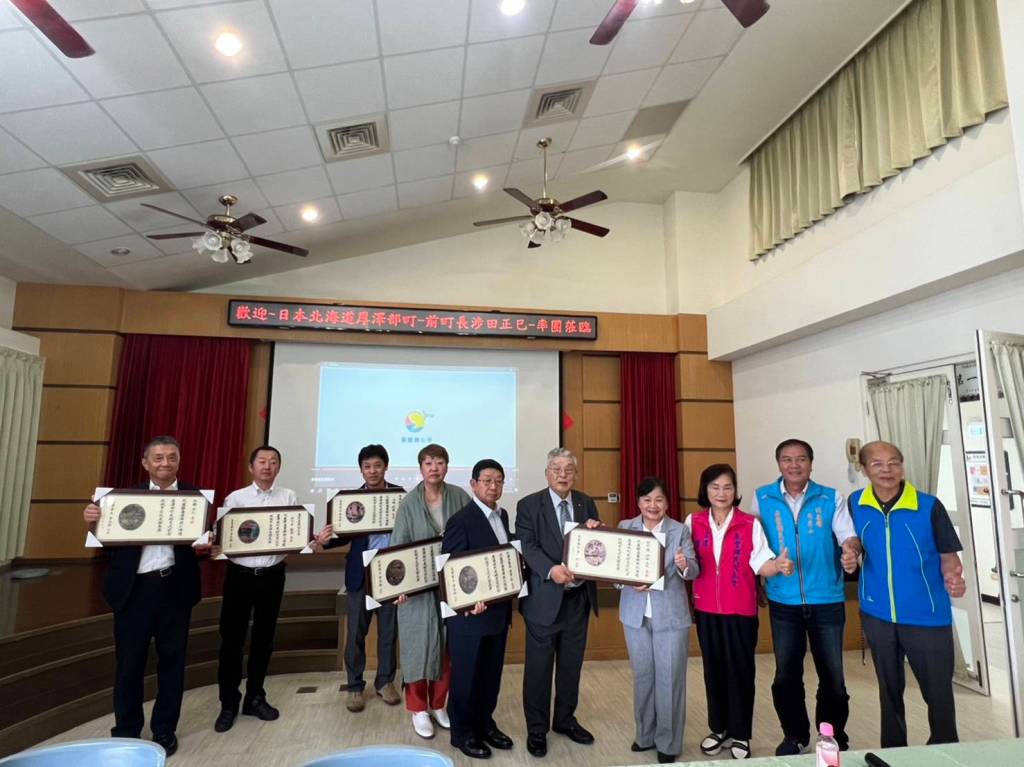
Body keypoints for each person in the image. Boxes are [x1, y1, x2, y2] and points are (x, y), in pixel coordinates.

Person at [81, 436, 208, 757]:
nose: (165, 463)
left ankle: (164, 729)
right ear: (145, 463)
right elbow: (104, 541)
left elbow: (202, 545)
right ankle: (126, 730)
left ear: (179, 461)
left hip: (174, 590)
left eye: (172, 457)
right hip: (134, 592)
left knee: (172, 663)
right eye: (159, 457)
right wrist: (93, 523)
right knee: (129, 664)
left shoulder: (194, 498)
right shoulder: (121, 499)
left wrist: (207, 544)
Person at [848, 440, 966, 748]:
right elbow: (855, 539)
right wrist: (851, 551)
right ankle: (894, 752)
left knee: (938, 694)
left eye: (893, 463)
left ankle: (943, 750)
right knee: (888, 692)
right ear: (864, 470)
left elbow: (949, 557)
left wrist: (954, 577)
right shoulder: (855, 502)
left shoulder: (928, 506)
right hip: (877, 614)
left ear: (902, 466)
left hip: (927, 616)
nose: (886, 470)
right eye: (877, 464)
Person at [750, 438, 862, 754]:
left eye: (801, 459)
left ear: (811, 464)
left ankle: (831, 735)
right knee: (786, 676)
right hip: (783, 601)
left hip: (827, 599)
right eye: (787, 459)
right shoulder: (762, 497)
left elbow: (849, 537)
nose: (794, 465)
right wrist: (766, 570)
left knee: (833, 677)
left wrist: (850, 552)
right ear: (779, 464)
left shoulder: (831, 497)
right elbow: (756, 546)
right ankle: (795, 735)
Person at [686, 463, 794, 760]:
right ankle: (718, 728)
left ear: (735, 491)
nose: (721, 493)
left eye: (728, 487)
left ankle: (741, 733)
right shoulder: (693, 522)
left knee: (741, 672)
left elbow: (760, 563)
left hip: (741, 611)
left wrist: (778, 566)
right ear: (705, 490)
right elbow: (686, 562)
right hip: (706, 609)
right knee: (713, 670)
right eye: (715, 487)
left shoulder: (749, 523)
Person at [213, 445, 307, 733]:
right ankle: (228, 703)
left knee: (264, 640)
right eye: (262, 461)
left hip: (272, 576)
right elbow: (224, 536)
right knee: (232, 640)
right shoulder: (236, 498)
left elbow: (295, 534)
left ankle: (255, 697)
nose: (267, 466)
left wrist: (310, 539)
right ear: (251, 467)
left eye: (273, 461)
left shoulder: (288, 497)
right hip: (240, 576)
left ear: (279, 467)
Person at [515, 447, 602, 758]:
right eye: (556, 469)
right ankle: (537, 729)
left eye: (568, 469)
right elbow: (527, 545)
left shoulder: (585, 502)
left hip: (577, 599)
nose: (562, 475)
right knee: (539, 670)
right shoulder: (529, 505)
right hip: (544, 600)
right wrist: (551, 570)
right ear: (547, 473)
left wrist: (597, 534)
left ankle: (565, 720)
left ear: (575, 474)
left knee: (570, 667)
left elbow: (596, 546)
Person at [390, 443, 471, 738]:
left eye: (439, 462)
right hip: (417, 590)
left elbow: (471, 537)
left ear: (447, 466)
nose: (434, 467)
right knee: (418, 646)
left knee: (447, 647)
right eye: (428, 463)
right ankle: (418, 709)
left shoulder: (460, 497)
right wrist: (398, 587)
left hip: (452, 588)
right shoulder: (408, 503)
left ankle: (438, 704)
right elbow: (398, 548)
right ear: (421, 468)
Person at [617, 477, 699, 764]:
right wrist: (626, 581)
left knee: (670, 679)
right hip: (634, 615)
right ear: (638, 502)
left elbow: (693, 569)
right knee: (643, 677)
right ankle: (645, 735)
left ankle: (668, 742)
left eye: (659, 500)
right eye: (647, 500)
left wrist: (684, 565)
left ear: (667, 502)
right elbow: (614, 570)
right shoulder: (626, 526)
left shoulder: (679, 530)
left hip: (671, 616)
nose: (653, 505)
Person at [441, 458, 516, 760]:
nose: (493, 486)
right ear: (473, 485)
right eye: (486, 481)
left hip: (498, 612)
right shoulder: (460, 520)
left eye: (498, 481)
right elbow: (450, 569)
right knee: (466, 677)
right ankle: (462, 732)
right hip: (469, 617)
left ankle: (485, 723)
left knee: (490, 675)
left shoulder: (503, 515)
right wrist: (468, 602)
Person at [322, 444, 403, 713]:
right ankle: (355, 686)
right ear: (361, 470)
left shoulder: (400, 496)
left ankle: (385, 682)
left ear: (386, 467)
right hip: (360, 576)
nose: (372, 471)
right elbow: (340, 536)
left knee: (388, 633)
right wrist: (326, 539)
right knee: (355, 633)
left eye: (377, 465)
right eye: (367, 466)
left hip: (392, 576)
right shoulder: (350, 501)